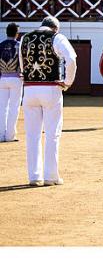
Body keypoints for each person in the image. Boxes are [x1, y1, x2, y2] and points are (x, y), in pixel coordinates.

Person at [19, 16, 77, 186]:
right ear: (55, 28)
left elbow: (22, 64)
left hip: (29, 89)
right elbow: (71, 59)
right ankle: (51, 176)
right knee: (52, 133)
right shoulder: (57, 37)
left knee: (32, 134)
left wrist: (26, 78)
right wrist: (67, 82)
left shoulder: (25, 38)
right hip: (51, 88)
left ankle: (34, 176)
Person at [0, 23, 23, 142]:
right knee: (14, 108)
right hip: (16, 79)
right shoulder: (19, 46)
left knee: (2, 108)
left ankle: (0, 135)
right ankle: (10, 135)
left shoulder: (0, 45)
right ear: (17, 33)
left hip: (2, 79)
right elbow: (23, 65)